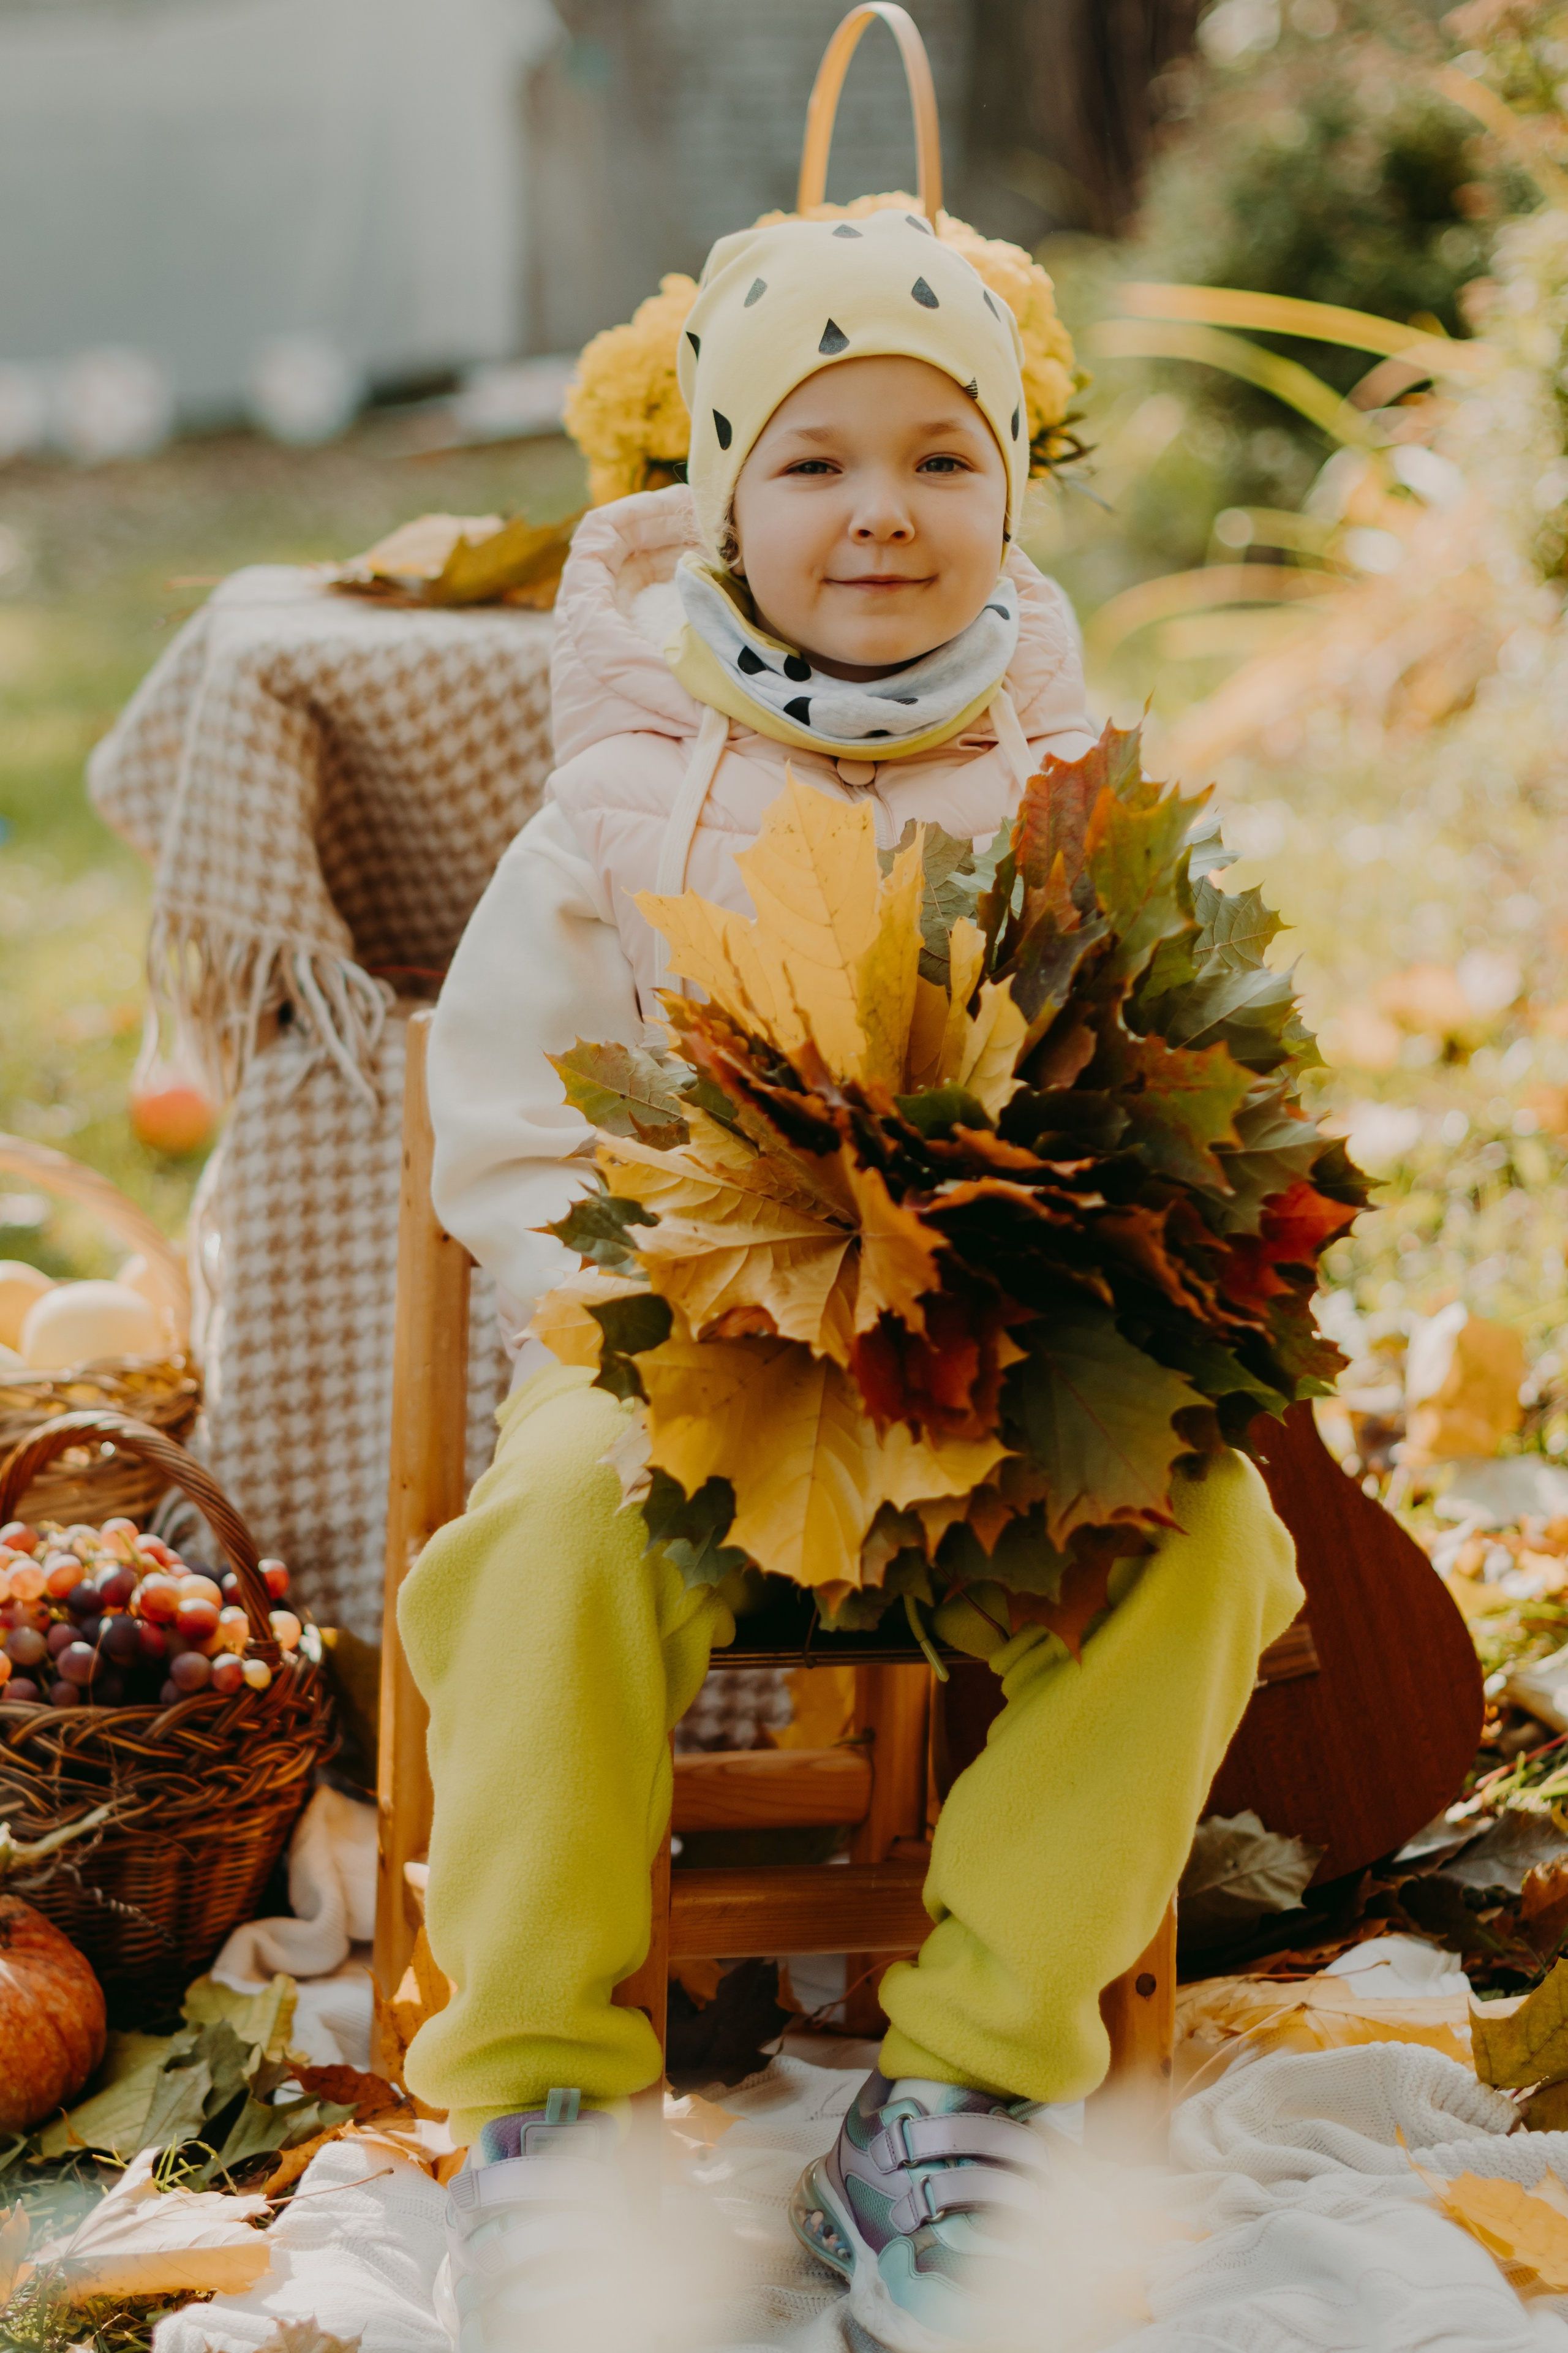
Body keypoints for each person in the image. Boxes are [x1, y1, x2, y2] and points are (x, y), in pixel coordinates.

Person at [404, 207, 1303, 2353]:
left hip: (1000, 1353)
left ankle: (966, 2080)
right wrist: (645, 1303)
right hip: (688, 1341)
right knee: (542, 1533)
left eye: (938, 457)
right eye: (813, 463)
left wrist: (1125, 1264)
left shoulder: (1079, 791)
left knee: (1206, 1534)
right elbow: (509, 1123)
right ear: (722, 500)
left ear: (1009, 488)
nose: (879, 512)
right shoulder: (621, 799)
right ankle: (546, 2107)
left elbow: (1191, 1064)